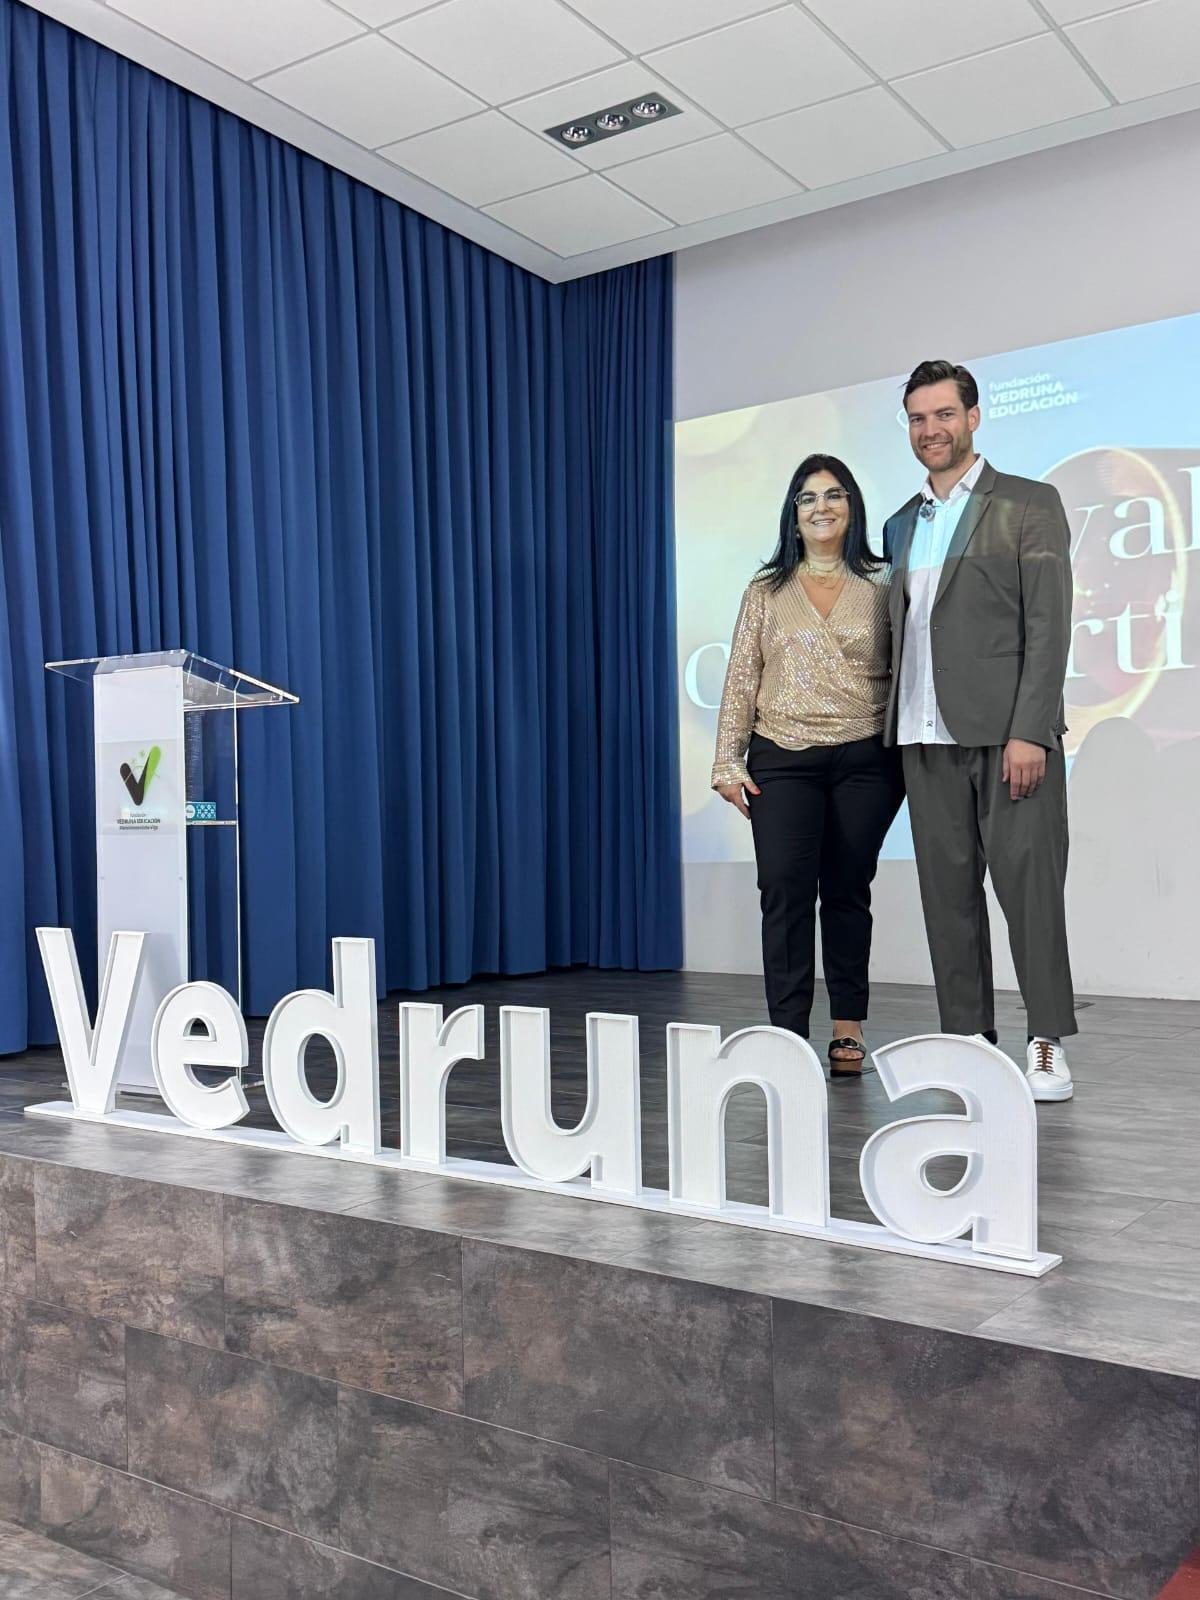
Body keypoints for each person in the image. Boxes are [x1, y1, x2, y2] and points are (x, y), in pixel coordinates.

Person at [883, 359, 1076, 1101]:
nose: (930, 429)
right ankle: (966, 1041)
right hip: (923, 737)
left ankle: (1046, 1041)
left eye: (944, 414)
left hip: (1008, 740)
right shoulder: (902, 524)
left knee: (1030, 895)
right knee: (947, 900)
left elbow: (1048, 625)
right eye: (918, 418)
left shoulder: (1027, 503)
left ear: (973, 417)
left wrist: (1032, 730)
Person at [712, 454, 904, 1075]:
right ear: (793, 515)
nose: (822, 507)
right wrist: (727, 761)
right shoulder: (766, 590)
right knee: (784, 891)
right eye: (808, 497)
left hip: (866, 758)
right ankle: (788, 1038)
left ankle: (848, 1029)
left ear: (852, 507)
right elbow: (742, 677)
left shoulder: (884, 581)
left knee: (847, 890)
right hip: (782, 757)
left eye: (834, 495)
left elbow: (910, 668)